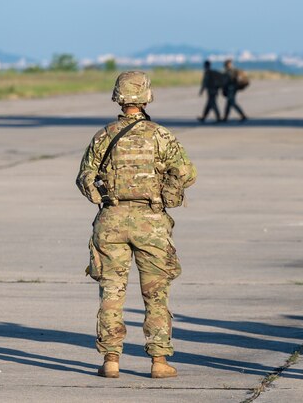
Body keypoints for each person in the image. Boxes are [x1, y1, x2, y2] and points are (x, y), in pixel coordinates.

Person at [76, 71, 196, 379]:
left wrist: (104, 198)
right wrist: (167, 196)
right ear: (146, 97)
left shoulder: (103, 136)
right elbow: (186, 173)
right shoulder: (161, 135)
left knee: (111, 291)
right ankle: (158, 361)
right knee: (156, 294)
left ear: (118, 97)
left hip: (111, 221)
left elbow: (85, 178)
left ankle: (111, 360)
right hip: (151, 224)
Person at [221, 58, 247, 123]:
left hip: (231, 89)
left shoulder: (230, 72)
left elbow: (227, 81)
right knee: (229, 103)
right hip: (232, 88)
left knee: (232, 103)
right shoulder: (233, 71)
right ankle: (225, 117)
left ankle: (242, 115)